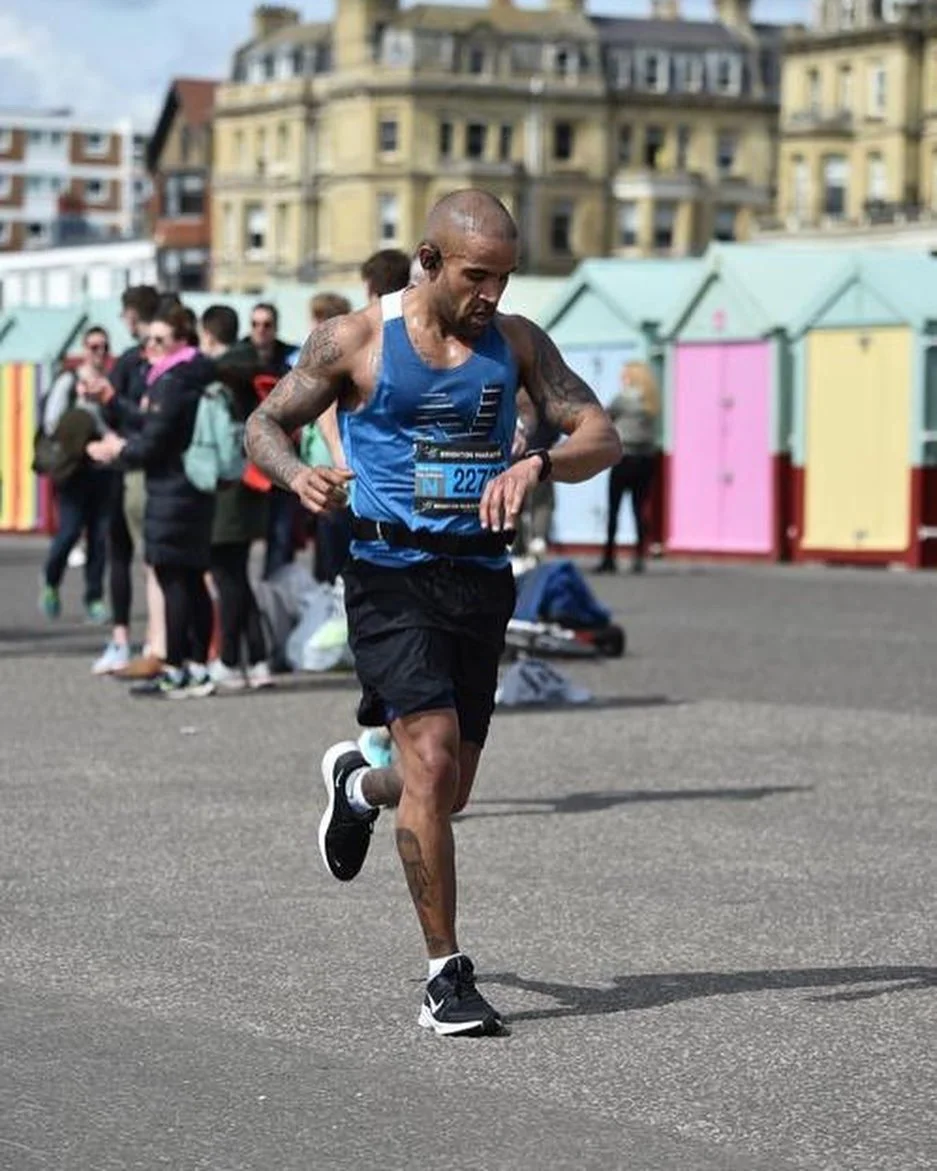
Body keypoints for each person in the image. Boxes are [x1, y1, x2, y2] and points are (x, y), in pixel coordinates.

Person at [245, 189, 621, 1036]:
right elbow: (264, 423)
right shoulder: (356, 339)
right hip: (387, 571)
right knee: (433, 752)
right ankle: (444, 975)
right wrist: (294, 472)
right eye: (476, 276)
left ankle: (357, 786)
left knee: (443, 790)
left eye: (504, 277)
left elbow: (601, 433)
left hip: (480, 577)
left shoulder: (517, 344)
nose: (490, 294)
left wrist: (540, 464)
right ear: (428, 260)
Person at [89, 304, 217, 698]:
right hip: (190, 490)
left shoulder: (173, 381)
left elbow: (155, 440)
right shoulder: (190, 374)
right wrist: (119, 409)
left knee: (172, 575)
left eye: (160, 339)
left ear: (182, 341)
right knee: (191, 577)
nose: (151, 347)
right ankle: (196, 666)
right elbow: (156, 426)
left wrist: (117, 451)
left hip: (172, 490)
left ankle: (176, 667)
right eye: (148, 340)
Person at [199, 305, 272, 691]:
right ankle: (258, 659)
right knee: (238, 576)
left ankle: (230, 658)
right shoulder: (252, 369)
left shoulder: (218, 377)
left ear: (207, 335)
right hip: (255, 483)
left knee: (228, 578)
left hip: (226, 487)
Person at [93, 284, 163, 675]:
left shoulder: (143, 363)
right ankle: (131, 640)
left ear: (131, 316)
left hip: (137, 468)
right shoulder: (136, 362)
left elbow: (124, 412)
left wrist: (111, 413)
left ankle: (150, 641)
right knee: (123, 554)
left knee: (146, 558)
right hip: (125, 466)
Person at [39, 326, 115, 623]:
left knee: (99, 537)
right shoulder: (69, 382)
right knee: (69, 531)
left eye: (104, 347)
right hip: (73, 469)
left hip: (103, 470)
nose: (99, 352)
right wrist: (81, 435)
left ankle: (94, 597)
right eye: (93, 346)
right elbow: (51, 423)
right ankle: (50, 581)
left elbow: (118, 421)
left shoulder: (111, 384)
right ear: (84, 349)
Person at [594, 360, 661, 575]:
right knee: (638, 508)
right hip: (647, 459)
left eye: (624, 374)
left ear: (631, 377)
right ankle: (640, 556)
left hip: (625, 458)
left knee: (614, 509)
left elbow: (605, 417)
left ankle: (609, 557)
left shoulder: (623, 400)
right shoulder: (652, 401)